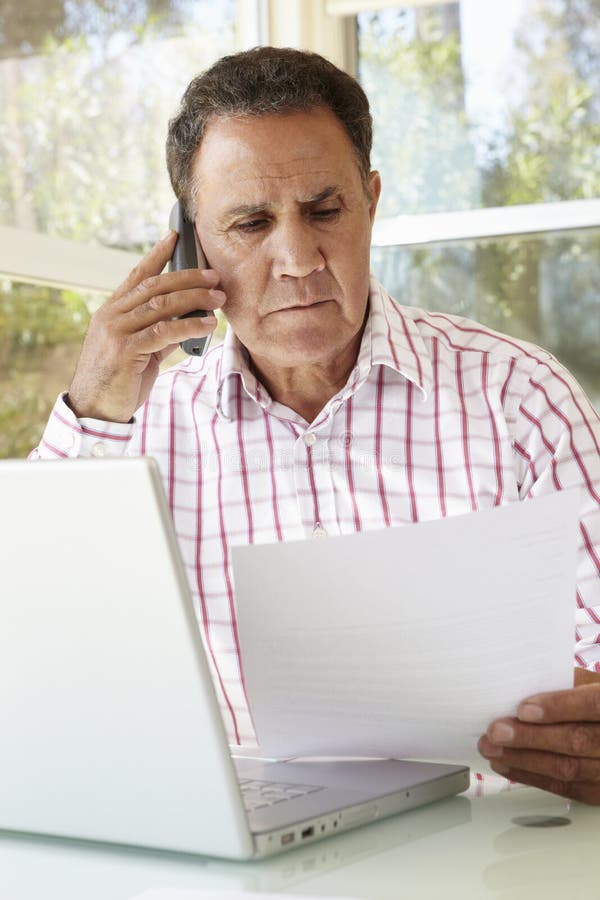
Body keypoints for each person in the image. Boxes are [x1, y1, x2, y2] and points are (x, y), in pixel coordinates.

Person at [32, 46, 600, 803]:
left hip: (493, 854)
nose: (298, 258)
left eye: (325, 211)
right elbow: (35, 658)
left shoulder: (519, 397)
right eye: (251, 222)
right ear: (192, 241)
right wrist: (94, 408)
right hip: (244, 863)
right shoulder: (135, 433)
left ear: (370, 201)